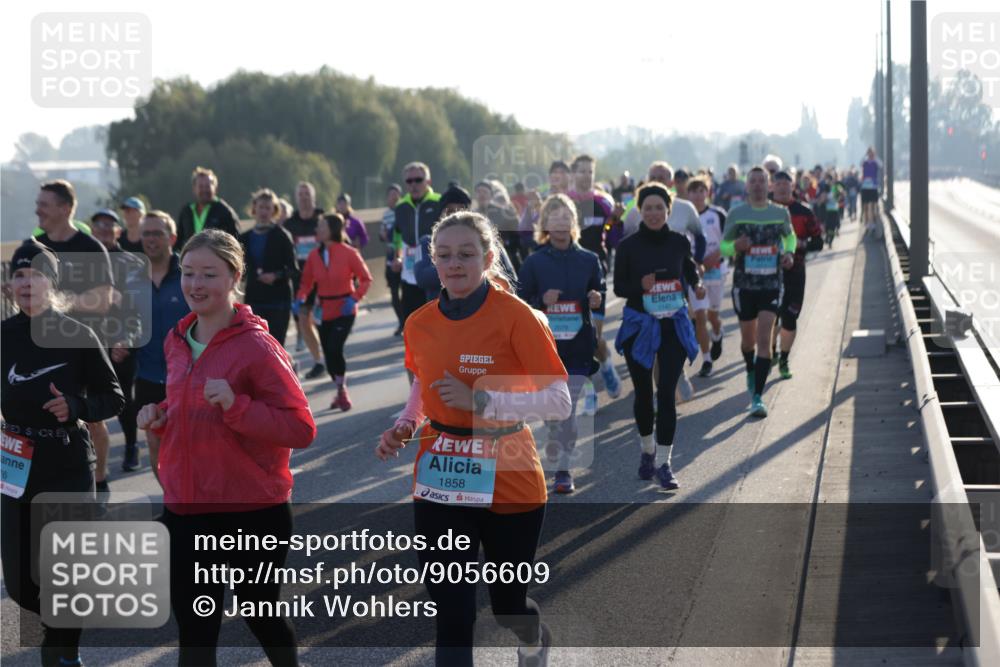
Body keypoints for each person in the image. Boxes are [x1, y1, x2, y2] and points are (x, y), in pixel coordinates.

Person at [376, 211, 570, 667]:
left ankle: (531, 639)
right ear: (432, 261)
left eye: (466, 254)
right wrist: (406, 424)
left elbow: (559, 400)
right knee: (453, 610)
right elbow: (425, 382)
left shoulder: (518, 317)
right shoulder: (420, 322)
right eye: (444, 255)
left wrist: (480, 400)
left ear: (487, 258)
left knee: (507, 607)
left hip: (510, 473)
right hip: (442, 469)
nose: (454, 263)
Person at [137, 229, 316, 667]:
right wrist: (159, 414)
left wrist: (238, 406)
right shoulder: (177, 340)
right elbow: (186, 399)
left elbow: (300, 428)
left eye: (209, 275)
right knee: (196, 637)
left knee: (262, 618)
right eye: (188, 273)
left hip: (251, 510)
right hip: (185, 508)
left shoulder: (257, 346)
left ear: (235, 276)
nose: (195, 285)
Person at [2, 239, 125, 667]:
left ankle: (63, 654)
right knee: (19, 584)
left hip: (67, 463)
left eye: (36, 274)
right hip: (15, 465)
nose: (26, 282)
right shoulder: (3, 336)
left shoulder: (77, 333)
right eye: (19, 274)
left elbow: (113, 398)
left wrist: (76, 407)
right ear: (10, 285)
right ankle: (61, 625)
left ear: (51, 283)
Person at [613, 183, 702, 490]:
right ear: (640, 210)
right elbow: (619, 289)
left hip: (672, 325)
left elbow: (689, 270)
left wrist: (697, 283)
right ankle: (647, 450)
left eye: (659, 208)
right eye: (647, 208)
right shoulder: (628, 246)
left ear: (668, 209)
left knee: (666, 393)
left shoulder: (679, 241)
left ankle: (664, 463)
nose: (653, 213)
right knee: (643, 394)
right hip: (640, 325)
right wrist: (641, 285)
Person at [518, 194, 605, 494]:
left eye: (565, 215)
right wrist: (540, 301)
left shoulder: (589, 259)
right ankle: (556, 447)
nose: (560, 222)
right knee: (555, 414)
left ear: (573, 222)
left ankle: (563, 470)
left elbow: (599, 288)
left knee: (567, 409)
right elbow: (519, 303)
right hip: (546, 347)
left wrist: (596, 297)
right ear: (545, 223)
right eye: (553, 216)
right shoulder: (533, 262)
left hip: (579, 344)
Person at [34, 180, 117, 492]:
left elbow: (104, 300)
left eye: (44, 203)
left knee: (91, 418)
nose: (37, 209)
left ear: (65, 208)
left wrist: (56, 301)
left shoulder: (90, 247)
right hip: (42, 347)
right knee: (43, 416)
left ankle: (101, 481)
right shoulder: (35, 246)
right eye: (38, 202)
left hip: (83, 347)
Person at [720, 166, 797, 418]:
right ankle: (750, 370)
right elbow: (724, 246)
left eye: (762, 181)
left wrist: (788, 253)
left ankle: (757, 397)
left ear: (769, 186)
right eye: (752, 181)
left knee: (765, 339)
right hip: (744, 285)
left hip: (771, 284)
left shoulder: (780, 212)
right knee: (748, 341)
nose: (757, 185)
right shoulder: (737, 213)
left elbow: (790, 238)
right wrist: (736, 246)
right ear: (747, 186)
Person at [295, 213, 373, 411]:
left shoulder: (349, 252)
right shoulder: (314, 255)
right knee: (329, 355)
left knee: (334, 347)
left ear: (332, 230)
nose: (317, 230)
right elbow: (306, 282)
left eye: (321, 227)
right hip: (324, 310)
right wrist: (301, 297)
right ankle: (340, 389)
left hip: (345, 308)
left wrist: (354, 298)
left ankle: (342, 392)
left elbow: (366, 278)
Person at [90, 208, 148, 472]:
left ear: (118, 231)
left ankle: (130, 446)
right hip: (90, 343)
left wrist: (127, 340)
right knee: (90, 400)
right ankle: (93, 455)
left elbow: (139, 308)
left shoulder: (130, 262)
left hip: (121, 342)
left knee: (124, 400)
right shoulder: (81, 262)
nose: (103, 230)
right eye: (99, 225)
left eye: (109, 226)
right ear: (92, 230)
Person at [133, 210, 190, 473]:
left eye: (157, 233)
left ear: (172, 237)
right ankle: (173, 505)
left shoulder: (190, 274)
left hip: (190, 376)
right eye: (146, 233)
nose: (151, 239)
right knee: (155, 444)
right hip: (148, 376)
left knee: (194, 444)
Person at [568, 155, 622, 402]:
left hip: (595, 273)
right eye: (581, 171)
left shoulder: (603, 203)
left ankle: (608, 366)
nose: (586, 176)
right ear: (573, 174)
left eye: (590, 171)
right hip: (568, 276)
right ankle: (589, 392)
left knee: (594, 338)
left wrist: (616, 221)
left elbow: (612, 240)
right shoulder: (564, 203)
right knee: (576, 338)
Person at [771, 170, 824, 379]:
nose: (783, 187)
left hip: (796, 270)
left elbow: (818, 241)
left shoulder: (804, 211)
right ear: (772, 186)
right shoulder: (763, 209)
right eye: (779, 183)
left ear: (793, 186)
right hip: (768, 272)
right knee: (771, 315)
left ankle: (784, 359)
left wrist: (801, 244)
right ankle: (770, 351)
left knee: (790, 317)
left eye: (787, 184)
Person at [240, 188, 297, 347]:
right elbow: (239, 269)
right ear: (254, 209)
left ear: (274, 211)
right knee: (255, 347)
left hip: (278, 301)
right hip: (254, 299)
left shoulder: (282, 235)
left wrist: (276, 276)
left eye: (268, 208)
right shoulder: (244, 238)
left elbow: (293, 269)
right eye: (261, 207)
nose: (264, 212)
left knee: (276, 347)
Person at [392, 162, 442, 330]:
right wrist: (397, 256)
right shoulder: (401, 206)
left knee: (435, 320)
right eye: (409, 181)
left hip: (433, 268)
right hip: (409, 269)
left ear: (428, 181)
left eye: (418, 180)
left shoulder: (439, 202)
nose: (413, 185)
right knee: (412, 320)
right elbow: (397, 234)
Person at [686, 177, 728, 375]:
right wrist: (695, 264)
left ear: (707, 192)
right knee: (700, 316)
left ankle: (718, 334)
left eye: (701, 190)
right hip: (696, 274)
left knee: (713, 316)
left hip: (716, 270)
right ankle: (707, 360)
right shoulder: (685, 217)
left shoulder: (717, 214)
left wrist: (714, 257)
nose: (697, 194)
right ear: (688, 194)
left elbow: (729, 240)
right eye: (693, 191)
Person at [285, 181, 327, 376]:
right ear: (296, 199)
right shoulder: (289, 224)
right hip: (301, 281)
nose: (303, 198)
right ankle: (318, 360)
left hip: (325, 279)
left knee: (324, 322)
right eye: (300, 194)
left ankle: (329, 354)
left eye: (307, 194)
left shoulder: (323, 220)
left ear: (313, 197)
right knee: (303, 319)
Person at [174, 166, 240, 250]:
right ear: (194, 189)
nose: (204, 189)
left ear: (215, 188)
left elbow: (236, 241)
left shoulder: (225, 211)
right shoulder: (186, 211)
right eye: (201, 186)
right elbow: (178, 240)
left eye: (208, 186)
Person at [380, 183, 405, 336]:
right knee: (394, 293)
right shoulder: (386, 215)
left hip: (405, 257)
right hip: (391, 257)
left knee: (407, 293)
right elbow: (382, 234)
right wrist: (384, 234)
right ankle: (401, 322)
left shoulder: (405, 212)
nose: (394, 198)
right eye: (391, 196)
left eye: (396, 195)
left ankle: (408, 322)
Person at [860, 147, 882, 236]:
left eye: (872, 153)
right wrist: (866, 155)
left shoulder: (876, 162)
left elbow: (881, 165)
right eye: (869, 153)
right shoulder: (864, 162)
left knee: (873, 206)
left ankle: (873, 224)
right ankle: (867, 224)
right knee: (865, 207)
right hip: (865, 187)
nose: (870, 154)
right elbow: (860, 163)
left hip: (873, 187)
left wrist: (875, 157)